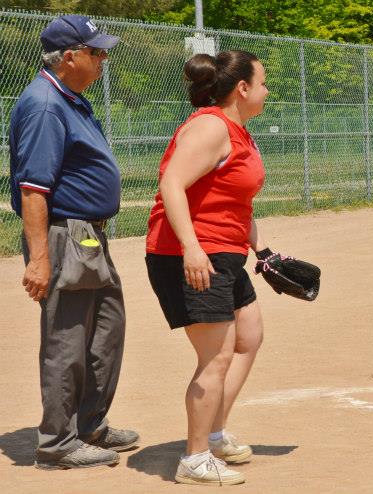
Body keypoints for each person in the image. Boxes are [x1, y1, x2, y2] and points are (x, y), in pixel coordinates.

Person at [7, 14, 139, 470]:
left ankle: (89, 426)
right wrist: (40, 259)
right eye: (96, 51)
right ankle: (57, 443)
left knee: (106, 330)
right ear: (69, 57)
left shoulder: (71, 99)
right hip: (66, 235)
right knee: (68, 337)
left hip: (88, 236)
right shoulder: (45, 104)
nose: (104, 59)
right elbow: (34, 189)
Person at [144, 50, 273, 486]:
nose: (267, 91)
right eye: (263, 83)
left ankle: (214, 433)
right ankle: (194, 458)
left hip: (225, 251)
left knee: (248, 338)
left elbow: (236, 200)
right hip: (191, 254)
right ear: (242, 88)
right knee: (214, 358)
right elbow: (172, 183)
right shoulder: (211, 126)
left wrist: (264, 250)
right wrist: (192, 249)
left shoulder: (240, 132)